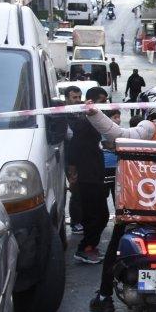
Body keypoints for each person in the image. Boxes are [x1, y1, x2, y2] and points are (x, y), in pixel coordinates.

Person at [82, 85, 156, 312]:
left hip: (141, 201)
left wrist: (95, 114)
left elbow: (120, 135)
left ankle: (105, 296)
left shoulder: (149, 127)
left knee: (115, 245)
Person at [67, 87, 111, 265]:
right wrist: (73, 173)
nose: (106, 104)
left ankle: (90, 246)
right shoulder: (86, 123)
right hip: (88, 177)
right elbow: (74, 147)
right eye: (102, 100)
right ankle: (85, 248)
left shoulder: (95, 121)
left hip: (96, 174)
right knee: (96, 216)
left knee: (101, 215)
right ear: (92, 102)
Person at [61, 86, 84, 234]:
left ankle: (82, 219)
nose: (77, 100)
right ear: (67, 98)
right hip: (71, 161)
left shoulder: (81, 112)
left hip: (83, 157)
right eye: (74, 97)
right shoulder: (63, 115)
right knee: (76, 190)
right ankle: (76, 222)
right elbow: (70, 135)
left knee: (83, 190)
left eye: (78, 97)